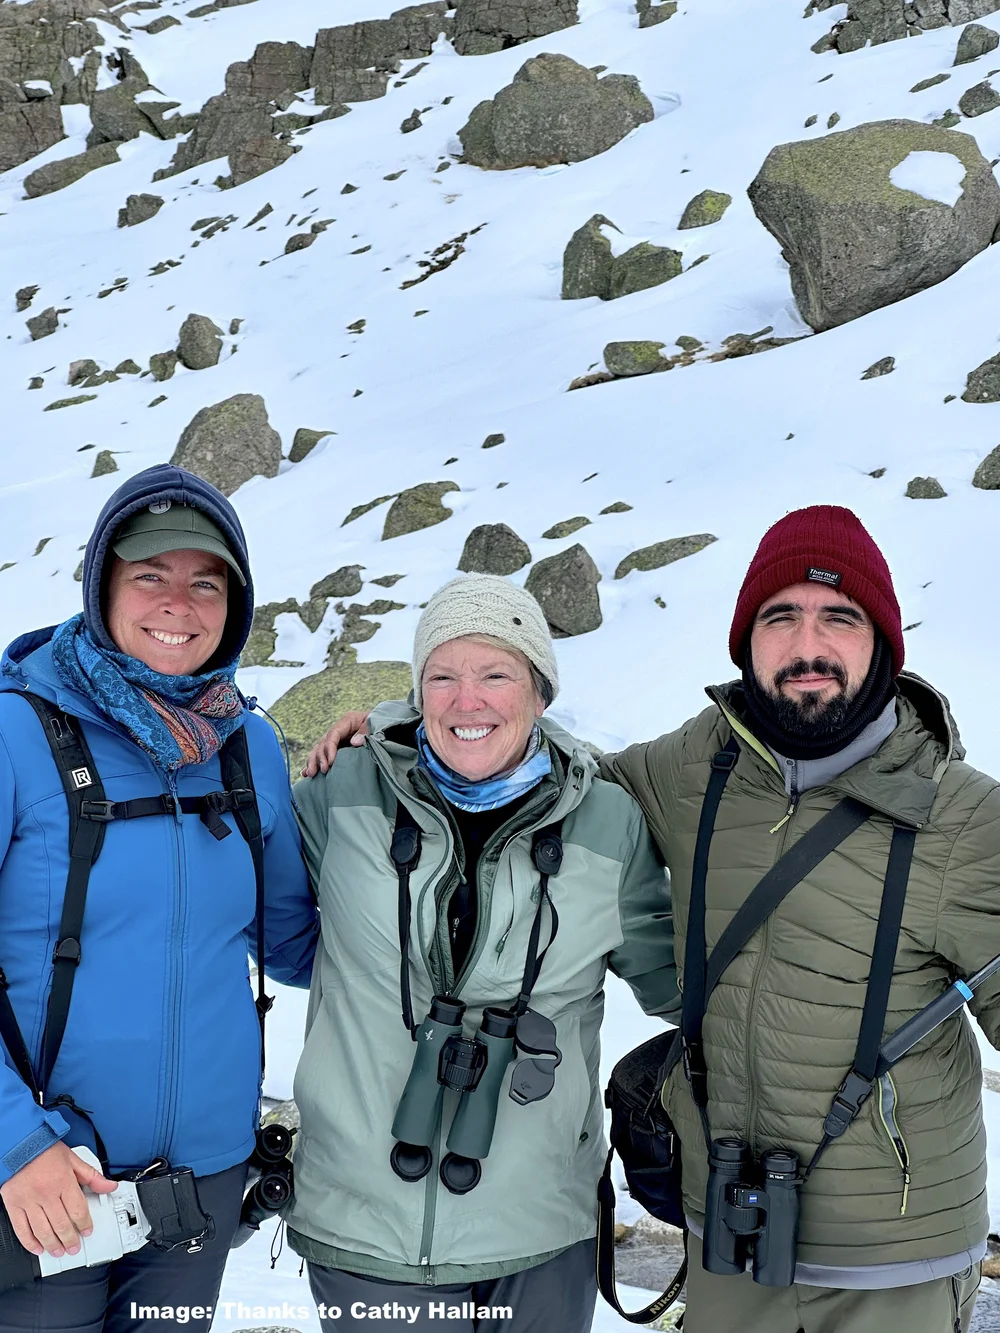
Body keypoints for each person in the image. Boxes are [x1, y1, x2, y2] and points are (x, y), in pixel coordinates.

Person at [307, 506, 1000, 1333]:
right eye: (780, 617)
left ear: (883, 640)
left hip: (893, 1253)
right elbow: (549, 772)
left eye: (839, 618)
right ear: (745, 639)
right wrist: (396, 731)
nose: (807, 645)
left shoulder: (965, 820)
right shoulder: (699, 764)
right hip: (732, 1239)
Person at [288, 574, 678, 1332]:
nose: (468, 701)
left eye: (496, 673)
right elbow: (228, 898)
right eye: (443, 675)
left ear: (540, 692)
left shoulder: (606, 820)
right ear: (417, 691)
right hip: (364, 1233)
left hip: (543, 1241)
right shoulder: (339, 793)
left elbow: (682, 984)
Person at [0, 464, 318, 1333]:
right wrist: (14, 1143)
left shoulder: (246, 745)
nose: (179, 603)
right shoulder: (17, 733)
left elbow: (298, 945)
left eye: (205, 582)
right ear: (102, 583)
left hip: (203, 1186)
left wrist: (387, 781)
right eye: (150, 575)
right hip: (53, 1177)